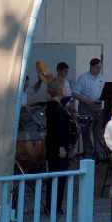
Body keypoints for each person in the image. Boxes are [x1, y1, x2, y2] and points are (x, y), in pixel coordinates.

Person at [45, 78, 77, 215]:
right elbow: (58, 129)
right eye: (64, 88)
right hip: (58, 148)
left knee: (57, 176)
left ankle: (54, 206)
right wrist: (62, 147)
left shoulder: (57, 106)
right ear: (59, 90)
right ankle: (53, 206)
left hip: (56, 146)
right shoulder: (55, 108)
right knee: (58, 176)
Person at [74, 58, 105, 158]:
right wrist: (87, 100)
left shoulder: (101, 78)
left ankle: (99, 154)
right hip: (85, 107)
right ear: (91, 67)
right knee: (86, 131)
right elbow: (75, 93)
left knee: (98, 131)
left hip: (98, 107)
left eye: (100, 67)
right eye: (97, 67)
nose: (99, 69)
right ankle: (89, 154)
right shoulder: (83, 78)